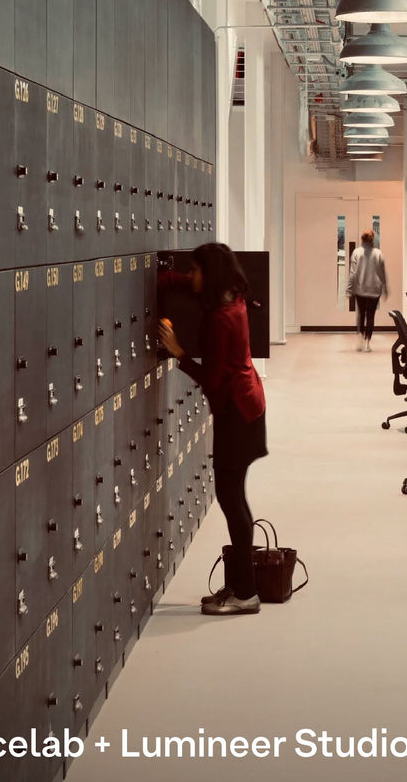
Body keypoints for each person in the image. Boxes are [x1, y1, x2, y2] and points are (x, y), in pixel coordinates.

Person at [156, 244, 268, 617]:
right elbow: (191, 284)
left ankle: (245, 592)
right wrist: (164, 277)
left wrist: (178, 353)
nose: (193, 276)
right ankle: (239, 585)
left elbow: (214, 381)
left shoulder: (223, 318)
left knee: (231, 499)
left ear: (210, 273)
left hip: (237, 413)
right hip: (249, 406)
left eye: (197, 270)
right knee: (233, 497)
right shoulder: (231, 296)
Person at [347, 230, 388, 352]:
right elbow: (382, 273)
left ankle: (360, 336)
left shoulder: (356, 252)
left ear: (362, 239)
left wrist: (349, 289)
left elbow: (353, 273)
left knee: (361, 314)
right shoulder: (378, 253)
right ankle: (367, 343)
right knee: (371, 316)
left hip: (361, 289)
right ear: (372, 239)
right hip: (375, 290)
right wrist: (385, 288)